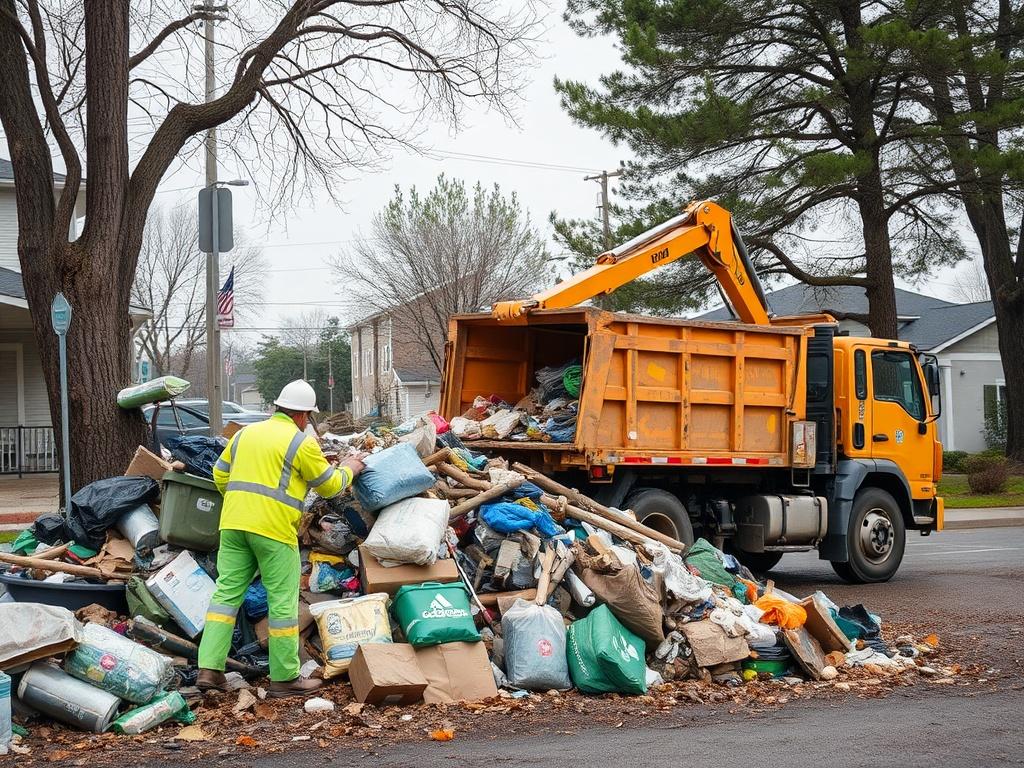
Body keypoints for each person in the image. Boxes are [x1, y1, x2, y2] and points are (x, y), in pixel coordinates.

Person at [196, 379, 365, 698]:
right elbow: (330, 487)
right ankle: (285, 678)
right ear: (304, 416)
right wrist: (350, 468)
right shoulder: (300, 443)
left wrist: (240, 503)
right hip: (273, 530)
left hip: (232, 524)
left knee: (225, 597)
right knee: (283, 603)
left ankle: (209, 669)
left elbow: (219, 474)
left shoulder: (245, 433)